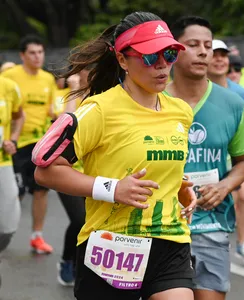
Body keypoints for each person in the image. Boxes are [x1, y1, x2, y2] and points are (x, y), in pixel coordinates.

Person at [33, 11, 197, 300]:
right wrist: (112, 189)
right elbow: (45, 171)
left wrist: (178, 184)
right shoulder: (98, 110)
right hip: (112, 246)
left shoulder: (181, 111)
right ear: (122, 60)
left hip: (170, 240)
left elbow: (149, 159)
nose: (162, 65)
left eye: (169, 54)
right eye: (149, 57)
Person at [166, 16, 244, 300]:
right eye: (193, 44)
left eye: (207, 45)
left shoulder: (232, 103)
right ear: (174, 49)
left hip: (211, 223)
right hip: (161, 225)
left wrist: (224, 186)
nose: (203, 51)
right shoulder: (154, 101)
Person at [207, 39, 244, 266]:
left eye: (224, 55)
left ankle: (242, 242)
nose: (219, 59)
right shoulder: (191, 90)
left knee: (243, 195)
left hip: (233, 157)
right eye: (214, 54)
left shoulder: (240, 93)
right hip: (206, 160)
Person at [2, 35, 56, 254]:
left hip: (40, 143)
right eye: (32, 53)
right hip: (15, 145)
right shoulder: (9, 77)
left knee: (41, 190)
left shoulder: (47, 79)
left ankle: (37, 236)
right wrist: (12, 138)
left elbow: (51, 110)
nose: (38, 57)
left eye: (41, 52)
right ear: (22, 55)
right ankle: (7, 231)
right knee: (15, 192)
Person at [53, 72, 86, 286]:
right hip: (64, 171)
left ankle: (83, 265)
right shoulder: (63, 96)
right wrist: (74, 92)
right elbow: (65, 128)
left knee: (91, 223)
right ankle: (67, 260)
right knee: (79, 219)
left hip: (93, 173)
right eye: (88, 70)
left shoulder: (104, 96)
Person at [0, 76, 24, 287]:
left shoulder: (8, 87)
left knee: (8, 224)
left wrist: (13, 139)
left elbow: (19, 116)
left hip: (3, 163)